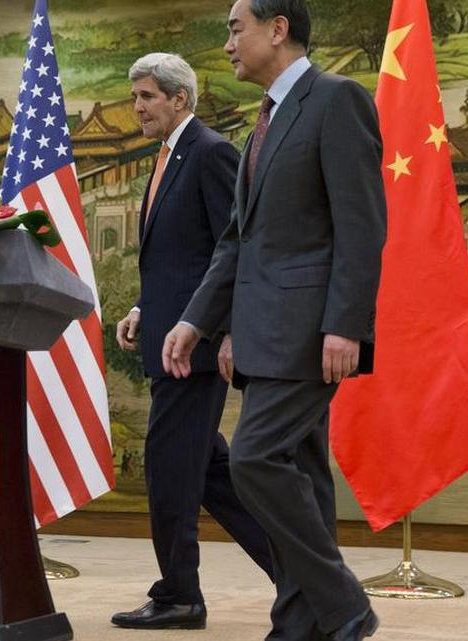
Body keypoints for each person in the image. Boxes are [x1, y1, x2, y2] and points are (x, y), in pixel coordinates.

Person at [160, 2, 387, 640]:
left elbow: (362, 226)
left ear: (278, 29)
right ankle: (300, 624)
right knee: (305, 477)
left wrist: (347, 324)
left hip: (312, 331)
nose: (227, 44)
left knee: (254, 460)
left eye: (236, 29)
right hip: (262, 333)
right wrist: (199, 322)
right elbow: (238, 242)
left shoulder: (337, 99)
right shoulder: (262, 118)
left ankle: (345, 607)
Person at [110, 52, 274, 631]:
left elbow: (235, 250)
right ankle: (307, 578)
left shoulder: (209, 153)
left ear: (180, 98)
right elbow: (183, 258)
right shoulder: (168, 156)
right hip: (168, 339)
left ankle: (179, 595)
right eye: (135, 98)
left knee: (168, 470)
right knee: (212, 477)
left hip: (194, 351)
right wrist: (142, 310)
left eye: (148, 97)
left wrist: (224, 329)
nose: (138, 108)